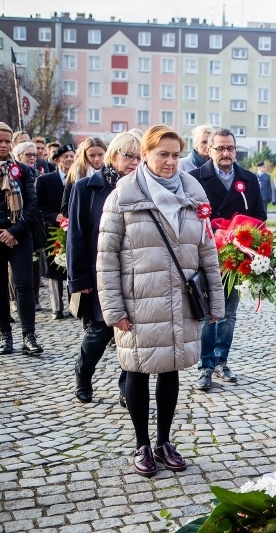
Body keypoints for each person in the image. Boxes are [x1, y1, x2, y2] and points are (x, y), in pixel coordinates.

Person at [97, 125, 225, 477]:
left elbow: (207, 252)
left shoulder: (193, 194)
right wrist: (114, 309)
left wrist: (215, 302)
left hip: (180, 299)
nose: (170, 162)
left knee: (171, 369)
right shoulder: (123, 196)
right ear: (146, 154)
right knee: (137, 369)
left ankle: (164, 441)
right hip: (139, 301)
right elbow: (106, 258)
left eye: (175, 155)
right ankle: (141, 444)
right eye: (162, 154)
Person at [190, 128, 266, 390]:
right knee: (208, 313)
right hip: (205, 255)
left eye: (230, 148)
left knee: (228, 313)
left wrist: (243, 233)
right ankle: (205, 366)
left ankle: (222, 361)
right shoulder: (194, 178)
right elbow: (187, 217)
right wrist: (215, 231)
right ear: (209, 150)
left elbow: (260, 215)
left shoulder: (249, 179)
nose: (226, 153)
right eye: (220, 148)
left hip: (235, 258)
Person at [69, 132, 141, 405]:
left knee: (132, 333)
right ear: (113, 156)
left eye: (139, 157)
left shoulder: (142, 187)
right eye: (128, 156)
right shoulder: (86, 187)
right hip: (100, 272)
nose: (134, 162)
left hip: (134, 273)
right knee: (100, 331)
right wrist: (79, 279)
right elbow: (76, 235)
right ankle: (83, 374)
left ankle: (127, 387)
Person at [0, 122, 42, 355]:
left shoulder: (23, 170)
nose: (4, 145)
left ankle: (29, 336)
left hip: (20, 235)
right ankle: (5, 335)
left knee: (24, 285)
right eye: (0, 141)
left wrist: (14, 231)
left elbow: (31, 204)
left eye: (7, 141)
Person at [36, 143, 75, 319]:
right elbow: (38, 206)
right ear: (57, 160)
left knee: (73, 268)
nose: (69, 159)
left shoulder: (78, 179)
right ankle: (56, 308)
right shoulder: (44, 181)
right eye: (65, 156)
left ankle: (74, 306)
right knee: (54, 270)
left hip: (73, 229)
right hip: (52, 231)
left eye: (72, 156)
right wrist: (53, 216)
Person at [12, 142, 44, 311]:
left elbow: (37, 201)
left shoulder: (39, 174)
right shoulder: (12, 172)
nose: (32, 158)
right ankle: (14, 300)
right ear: (18, 157)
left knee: (35, 264)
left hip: (33, 224)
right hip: (14, 226)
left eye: (34, 155)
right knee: (14, 270)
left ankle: (35, 298)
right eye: (28, 154)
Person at [61, 138, 107, 216]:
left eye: (100, 155)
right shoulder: (76, 172)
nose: (97, 159)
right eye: (92, 155)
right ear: (85, 155)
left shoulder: (112, 173)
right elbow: (65, 207)